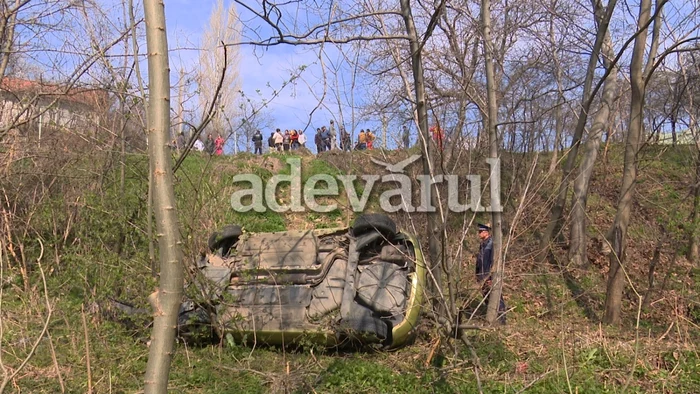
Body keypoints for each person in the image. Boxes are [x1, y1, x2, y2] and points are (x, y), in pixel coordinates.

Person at [475, 222, 506, 324]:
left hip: (489, 276)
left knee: (496, 297)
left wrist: (491, 278)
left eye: (481, 232)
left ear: (486, 232)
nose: (479, 234)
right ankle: (491, 316)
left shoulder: (491, 244)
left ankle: (502, 320)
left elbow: (494, 262)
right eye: (479, 231)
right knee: (486, 297)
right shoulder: (483, 244)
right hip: (482, 276)